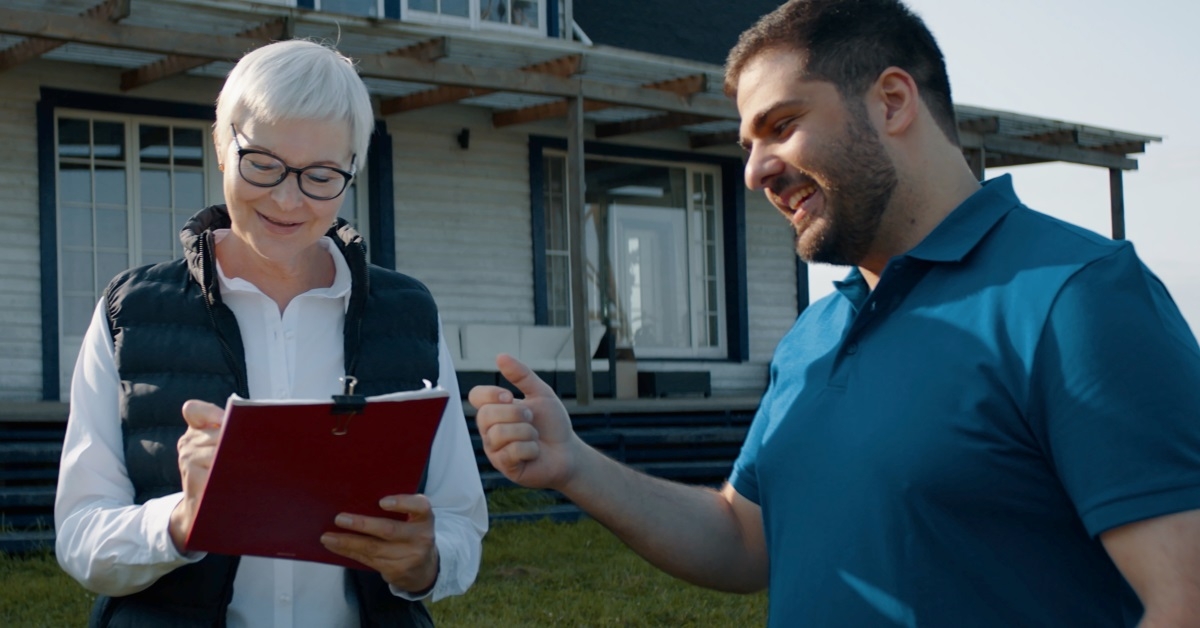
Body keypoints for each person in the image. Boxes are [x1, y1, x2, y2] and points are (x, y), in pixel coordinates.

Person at [470, 0, 1200, 625]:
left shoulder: (1079, 296)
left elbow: (1184, 599)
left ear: (891, 100)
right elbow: (742, 536)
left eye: (780, 124)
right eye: (747, 143)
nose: (754, 170)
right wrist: (575, 466)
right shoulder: (815, 335)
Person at [55, 39, 487, 627]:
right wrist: (180, 521)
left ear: (351, 173)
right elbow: (80, 536)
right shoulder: (127, 313)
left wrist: (426, 563)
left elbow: (461, 518)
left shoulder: (406, 315)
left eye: (321, 176)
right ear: (220, 146)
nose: (288, 199)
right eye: (263, 163)